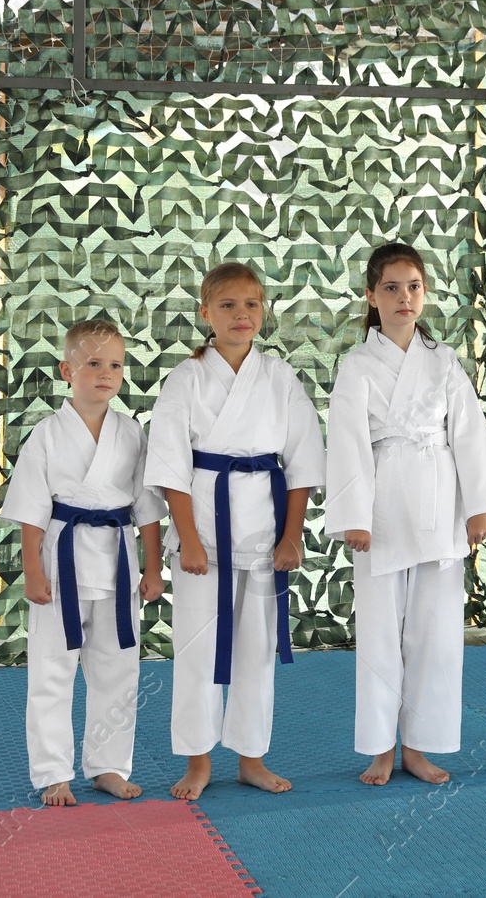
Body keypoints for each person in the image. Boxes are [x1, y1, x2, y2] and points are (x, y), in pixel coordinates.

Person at [325, 242, 486, 786]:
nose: (404, 297)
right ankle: (380, 747)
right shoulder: (358, 365)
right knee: (382, 631)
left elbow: (469, 435)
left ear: (424, 292)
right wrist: (353, 515)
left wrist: (479, 506)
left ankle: (418, 746)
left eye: (414, 286)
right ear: (371, 295)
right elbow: (348, 442)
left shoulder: (444, 361)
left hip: (439, 496)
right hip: (382, 502)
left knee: (436, 634)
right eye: (391, 287)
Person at [145, 262, 324, 800]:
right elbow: (169, 464)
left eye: (251, 305)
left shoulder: (279, 377)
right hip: (202, 525)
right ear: (205, 313)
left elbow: (303, 462)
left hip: (264, 531)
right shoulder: (185, 378)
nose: (240, 315)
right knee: (196, 648)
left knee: (256, 648)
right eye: (227, 305)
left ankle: (251, 756)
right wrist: (189, 538)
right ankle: (198, 761)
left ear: (263, 311)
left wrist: (292, 536)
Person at [0, 318, 165, 806]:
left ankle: (108, 765)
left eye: (115, 364)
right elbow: (31, 509)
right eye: (93, 363)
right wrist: (31, 570)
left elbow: (148, 509)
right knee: (51, 672)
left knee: (118, 670)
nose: (105, 373)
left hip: (117, 562)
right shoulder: (47, 435)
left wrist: (153, 568)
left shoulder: (131, 432)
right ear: (66, 370)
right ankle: (53, 772)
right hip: (61, 563)